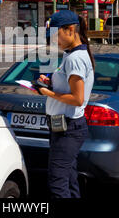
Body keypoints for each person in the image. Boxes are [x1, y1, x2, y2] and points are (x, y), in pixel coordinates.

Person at [37, 10, 95, 199]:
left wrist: (49, 93)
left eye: (56, 35)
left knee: (57, 183)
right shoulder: (72, 54)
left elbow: (77, 98)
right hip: (62, 125)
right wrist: (51, 82)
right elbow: (70, 88)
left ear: (70, 29)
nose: (54, 40)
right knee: (68, 180)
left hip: (68, 128)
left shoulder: (75, 58)